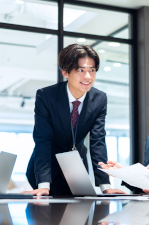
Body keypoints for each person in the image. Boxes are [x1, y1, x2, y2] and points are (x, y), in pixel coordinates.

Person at [24, 44, 125, 196]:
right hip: (46, 168)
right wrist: (43, 184)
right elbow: (43, 140)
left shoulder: (99, 99)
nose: (88, 77)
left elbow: (97, 141)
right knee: (45, 216)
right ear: (65, 72)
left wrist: (105, 185)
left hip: (76, 171)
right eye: (80, 70)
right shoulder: (46, 96)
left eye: (92, 70)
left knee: (79, 216)